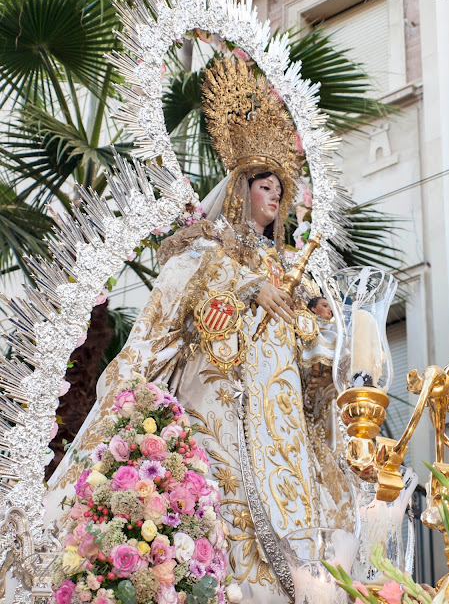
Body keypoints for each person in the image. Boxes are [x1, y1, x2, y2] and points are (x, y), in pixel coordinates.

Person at [47, 58, 353, 603]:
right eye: (265, 185)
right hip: (226, 401)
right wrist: (246, 286)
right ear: (239, 190)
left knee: (298, 517)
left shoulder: (289, 267)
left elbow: (308, 342)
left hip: (282, 414)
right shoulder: (211, 248)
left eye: (280, 189)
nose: (275, 196)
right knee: (226, 510)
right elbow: (179, 289)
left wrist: (323, 330)